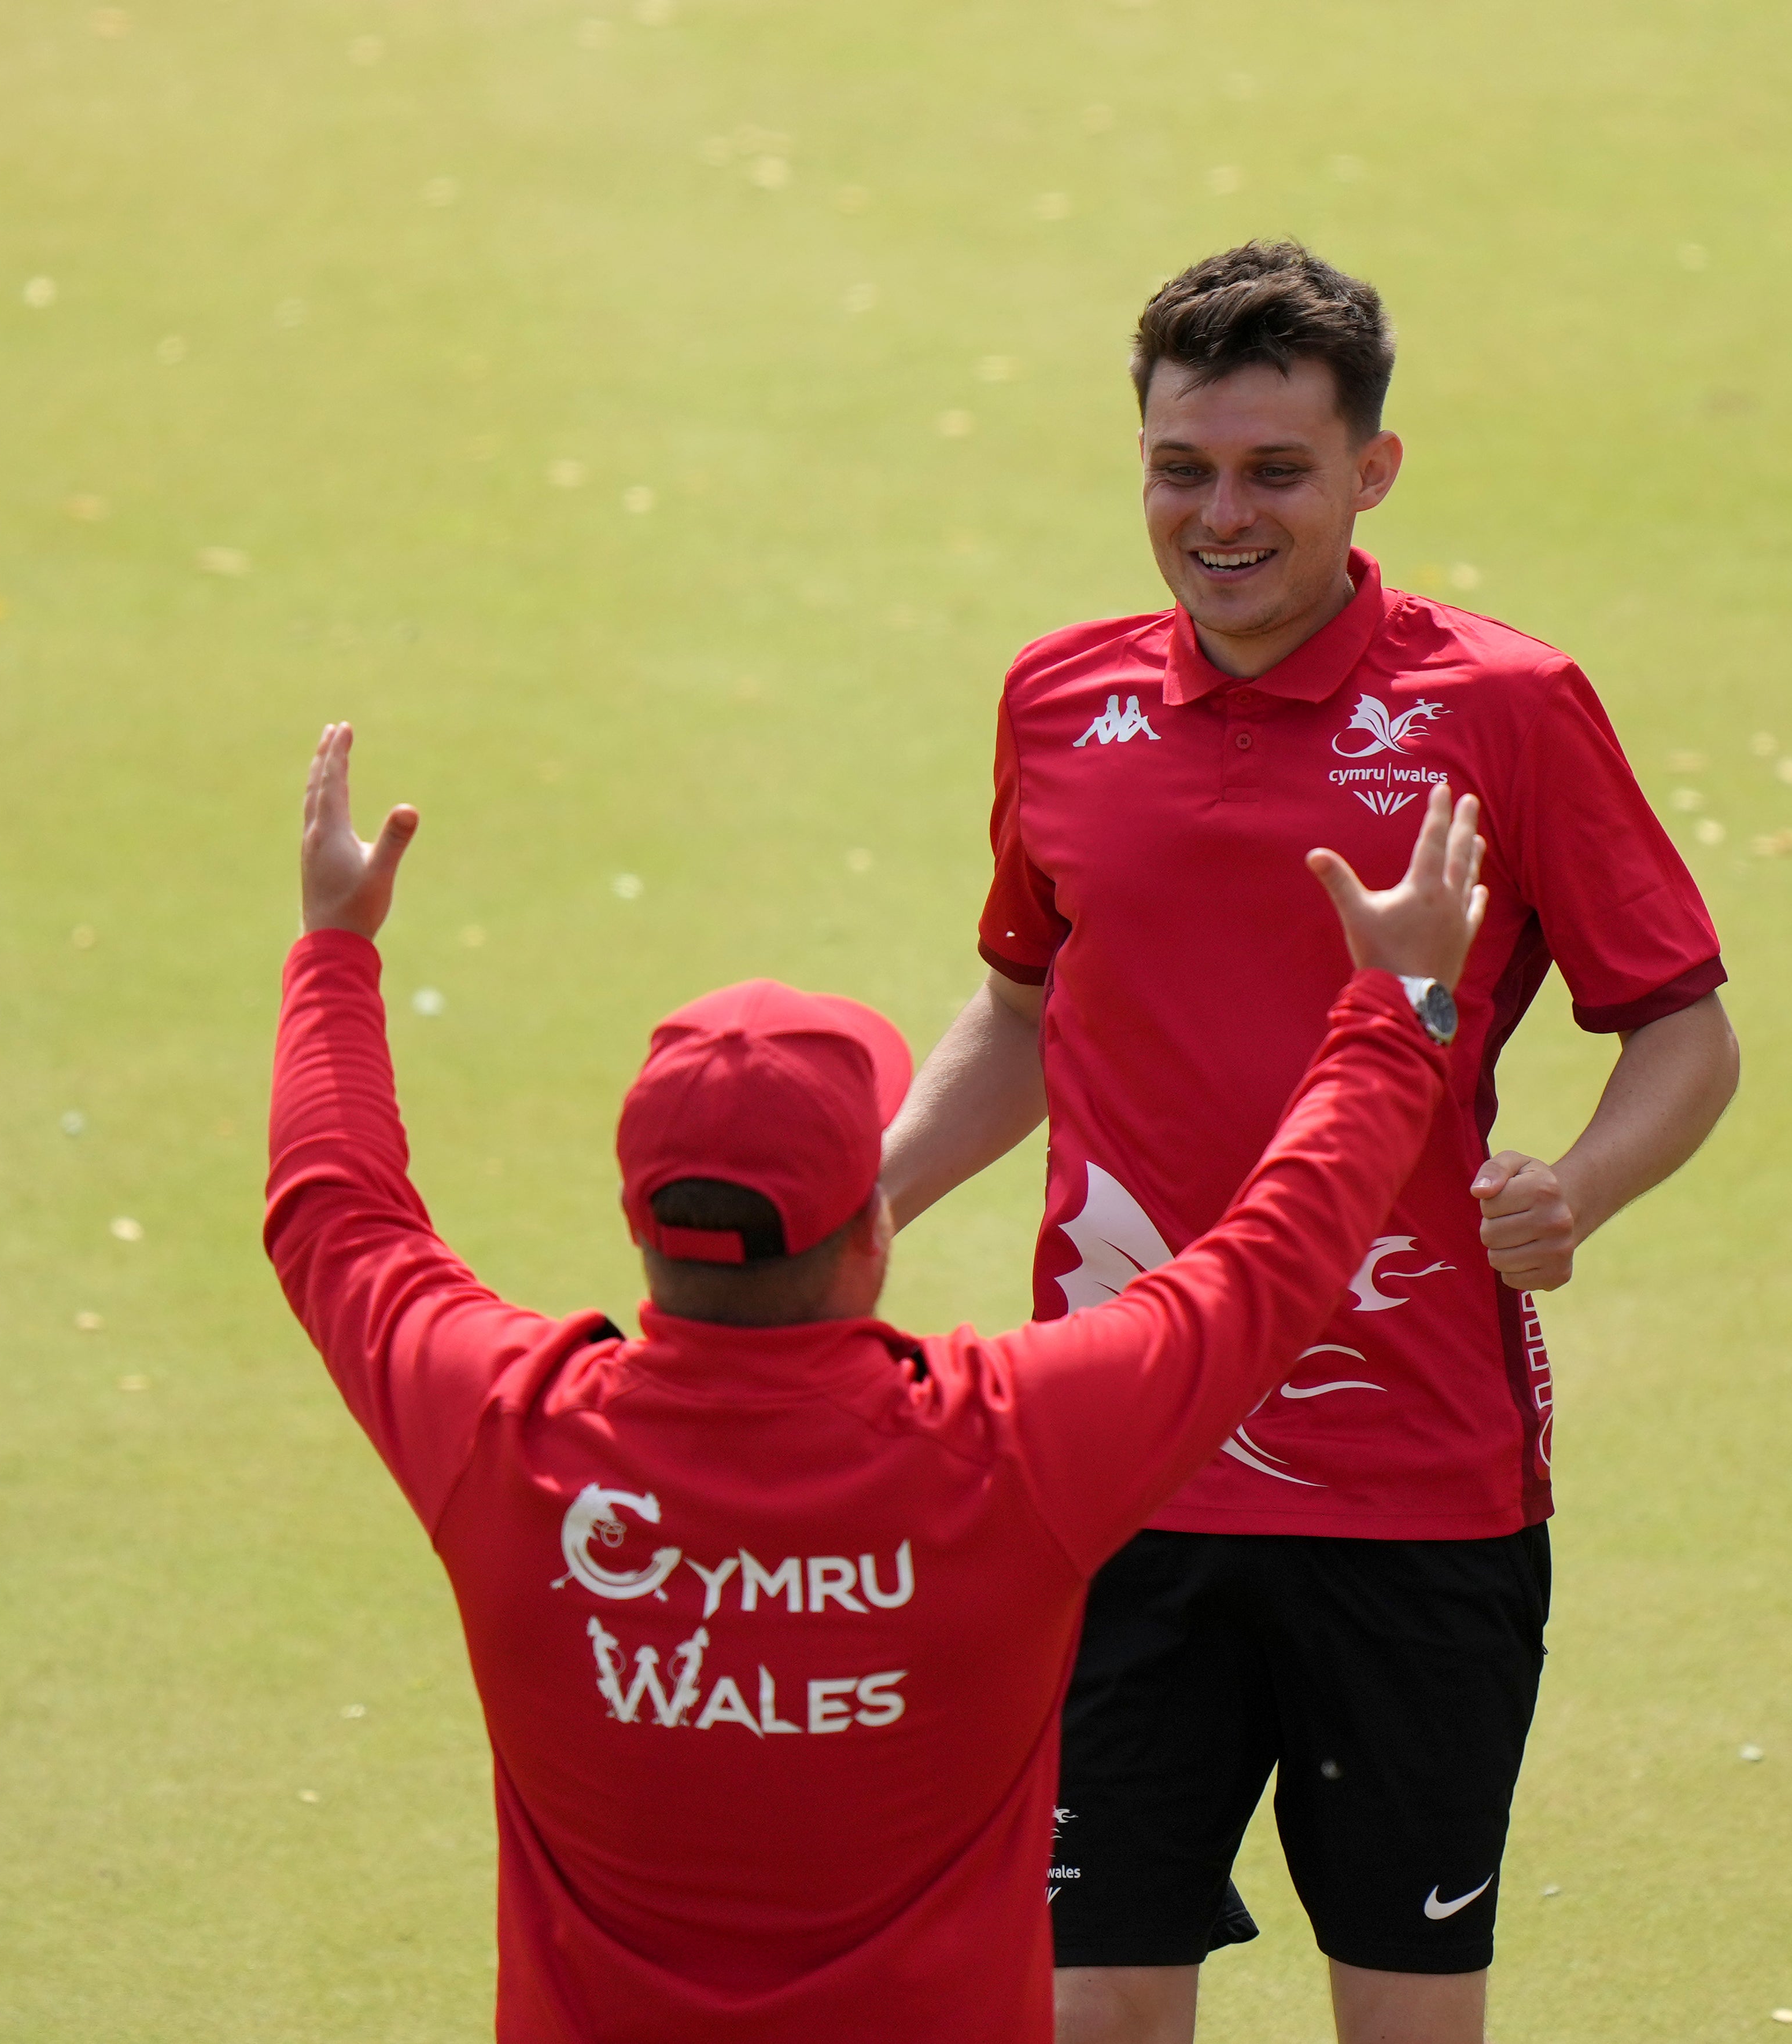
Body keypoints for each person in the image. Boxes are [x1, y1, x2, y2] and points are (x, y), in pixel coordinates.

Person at [263, 721, 1495, 2042]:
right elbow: (1272, 1266)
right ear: (871, 1227)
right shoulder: (1010, 1447)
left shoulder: (506, 1431)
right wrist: (1400, 1003)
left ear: (640, 1223)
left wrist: (337, 945)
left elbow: (333, 1216)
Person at [877, 242, 1744, 2044]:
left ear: (1372, 470)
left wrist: (1575, 1182)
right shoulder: (1057, 700)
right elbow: (1028, 1007)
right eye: (1180, 469)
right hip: (1109, 1456)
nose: (1221, 515)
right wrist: (865, 1200)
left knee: (1404, 2017)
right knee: (1092, 2002)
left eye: (1276, 470)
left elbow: (1683, 1025)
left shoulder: (1501, 709)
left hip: (1411, 1480)